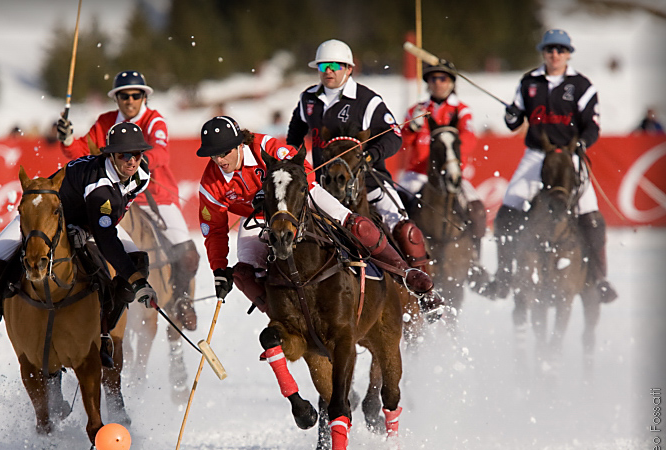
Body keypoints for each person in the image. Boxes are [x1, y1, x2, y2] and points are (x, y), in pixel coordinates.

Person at [197, 115, 437, 320]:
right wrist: (218, 269)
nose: (220, 160)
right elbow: (214, 229)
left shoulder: (265, 147)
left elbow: (302, 170)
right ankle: (281, 318)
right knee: (243, 273)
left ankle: (406, 273)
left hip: (298, 198)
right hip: (258, 218)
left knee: (357, 225)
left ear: (240, 145)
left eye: (225, 152)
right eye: (213, 155)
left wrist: (279, 196)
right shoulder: (210, 183)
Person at [0, 123, 158, 352]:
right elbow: (106, 239)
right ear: (111, 155)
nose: (132, 161)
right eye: (124, 155)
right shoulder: (99, 186)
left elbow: (114, 214)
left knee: (138, 264)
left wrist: (86, 230)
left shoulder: (142, 175)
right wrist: (139, 284)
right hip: (47, 215)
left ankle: (106, 328)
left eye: (136, 154)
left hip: (91, 219)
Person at [285, 39, 442, 314]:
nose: (328, 71)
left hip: (367, 183)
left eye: (334, 66)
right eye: (322, 66)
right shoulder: (308, 99)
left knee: (406, 229)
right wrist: (291, 162)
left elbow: (393, 135)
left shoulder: (367, 100)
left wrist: (371, 155)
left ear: (348, 68)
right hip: (322, 186)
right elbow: (294, 137)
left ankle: (424, 293)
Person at [56, 70, 199, 330]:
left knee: (187, 252)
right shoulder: (105, 122)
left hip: (155, 197)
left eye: (135, 94)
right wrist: (67, 139)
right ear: (117, 99)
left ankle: (181, 300)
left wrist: (132, 162)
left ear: (144, 96)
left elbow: (161, 154)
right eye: (124, 95)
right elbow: (80, 152)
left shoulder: (155, 121)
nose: (130, 100)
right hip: (111, 193)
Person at [486, 29, 617, 303]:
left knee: (591, 216)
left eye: (560, 50)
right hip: (537, 155)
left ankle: (599, 277)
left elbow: (592, 125)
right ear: (543, 52)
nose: (554, 54)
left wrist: (582, 143)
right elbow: (515, 119)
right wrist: (511, 115)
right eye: (550, 49)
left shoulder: (582, 85)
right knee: (508, 209)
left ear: (568, 53)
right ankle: (504, 275)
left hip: (570, 157)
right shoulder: (529, 81)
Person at [398, 58, 488, 277]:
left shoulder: (461, 110)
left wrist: (451, 157)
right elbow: (401, 141)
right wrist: (411, 128)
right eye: (433, 78)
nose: (438, 83)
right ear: (427, 83)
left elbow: (468, 139)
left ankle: (475, 260)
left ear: (451, 82)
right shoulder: (417, 110)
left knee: (476, 210)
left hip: (450, 173)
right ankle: (399, 259)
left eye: (443, 78)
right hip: (417, 174)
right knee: (397, 210)